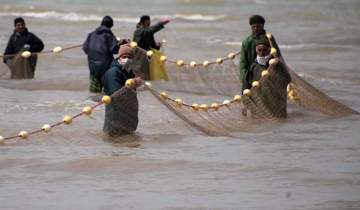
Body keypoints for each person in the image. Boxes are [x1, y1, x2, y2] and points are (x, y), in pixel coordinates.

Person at [102, 44, 143, 137]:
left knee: (126, 144)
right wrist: (133, 83)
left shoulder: (128, 71)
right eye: (124, 57)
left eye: (130, 57)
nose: (127, 59)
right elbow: (116, 94)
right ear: (119, 58)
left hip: (125, 115)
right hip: (115, 116)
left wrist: (135, 83)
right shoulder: (113, 73)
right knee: (115, 141)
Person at [83, 16, 121, 93]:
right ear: (111, 26)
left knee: (95, 91)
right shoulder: (109, 35)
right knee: (106, 92)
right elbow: (114, 50)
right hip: (105, 67)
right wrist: (119, 44)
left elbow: (85, 48)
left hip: (93, 67)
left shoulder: (91, 34)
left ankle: (91, 103)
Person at [239, 15, 281, 84]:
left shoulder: (269, 38)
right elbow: (243, 62)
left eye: (258, 27)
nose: (255, 29)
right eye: (253, 27)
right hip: (251, 74)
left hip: (268, 73)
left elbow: (277, 55)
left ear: (263, 26)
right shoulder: (247, 42)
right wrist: (244, 78)